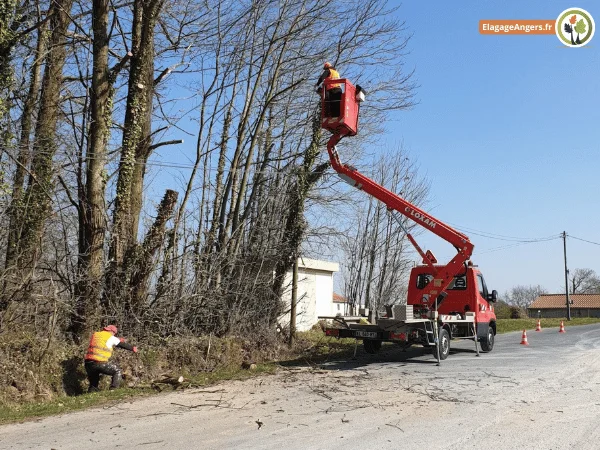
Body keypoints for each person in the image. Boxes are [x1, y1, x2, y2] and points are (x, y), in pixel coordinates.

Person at [84, 325, 138, 392]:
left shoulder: (96, 334)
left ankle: (91, 394)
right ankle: (113, 390)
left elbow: (104, 340)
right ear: (112, 332)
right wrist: (133, 348)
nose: (114, 334)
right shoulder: (111, 337)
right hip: (99, 362)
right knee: (117, 371)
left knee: (94, 383)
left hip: (88, 363)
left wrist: (118, 339)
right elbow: (121, 344)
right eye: (114, 333)